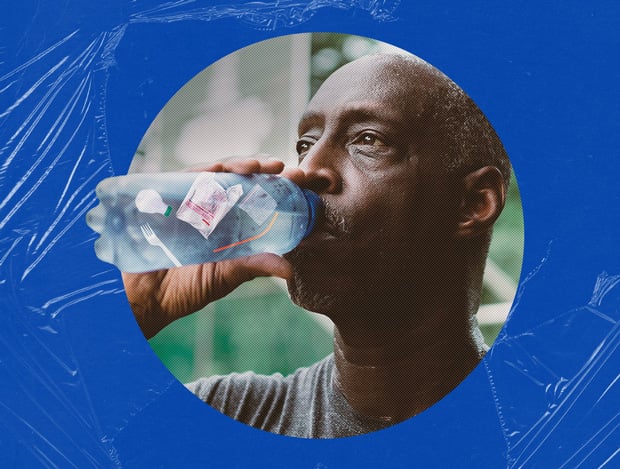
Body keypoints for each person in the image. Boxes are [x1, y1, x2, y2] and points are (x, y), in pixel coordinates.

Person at [122, 52, 510, 438]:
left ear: (473, 204)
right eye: (305, 144)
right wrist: (138, 309)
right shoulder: (226, 415)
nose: (306, 171)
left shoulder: (537, 429)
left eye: (367, 139)